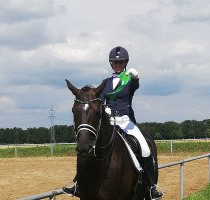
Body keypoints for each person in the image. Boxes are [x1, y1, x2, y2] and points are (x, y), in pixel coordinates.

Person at [63, 46, 163, 199]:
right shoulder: (105, 83)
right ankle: (79, 183)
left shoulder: (128, 80)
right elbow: (99, 102)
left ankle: (151, 186)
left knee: (145, 148)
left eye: (121, 62)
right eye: (115, 63)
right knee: (90, 148)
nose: (118, 65)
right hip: (109, 121)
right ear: (111, 64)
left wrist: (135, 77)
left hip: (126, 122)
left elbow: (135, 86)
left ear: (125, 63)